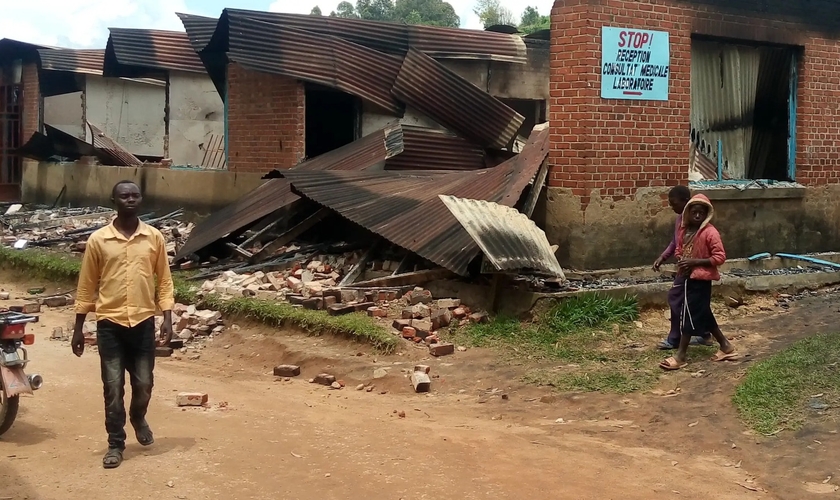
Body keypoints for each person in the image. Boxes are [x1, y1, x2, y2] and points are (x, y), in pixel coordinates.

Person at [71, 180, 174, 469]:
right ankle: (116, 443)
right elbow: (86, 285)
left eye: (135, 195)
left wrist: (166, 316)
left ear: (141, 199)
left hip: (142, 322)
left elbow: (164, 280)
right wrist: (79, 327)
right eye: (124, 196)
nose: (130, 199)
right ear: (113, 200)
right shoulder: (98, 240)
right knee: (113, 386)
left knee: (144, 383)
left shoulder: (153, 238)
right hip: (109, 323)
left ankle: (138, 416)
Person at [660, 194, 737, 371]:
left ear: (706, 214)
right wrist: (681, 259)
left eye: (701, 213)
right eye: (694, 212)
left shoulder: (710, 233)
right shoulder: (684, 231)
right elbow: (679, 249)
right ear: (688, 213)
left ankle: (680, 355)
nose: (697, 216)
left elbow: (720, 257)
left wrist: (694, 262)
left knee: (688, 315)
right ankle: (726, 346)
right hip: (686, 277)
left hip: (701, 279)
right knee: (704, 313)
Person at [654, 185, 713, 350]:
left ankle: (674, 338)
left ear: (686, 201)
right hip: (685, 267)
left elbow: (714, 253)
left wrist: (694, 262)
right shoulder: (680, 219)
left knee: (676, 299)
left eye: (674, 203)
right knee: (696, 302)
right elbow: (676, 242)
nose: (671, 206)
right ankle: (705, 334)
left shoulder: (695, 219)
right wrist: (662, 257)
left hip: (693, 268)